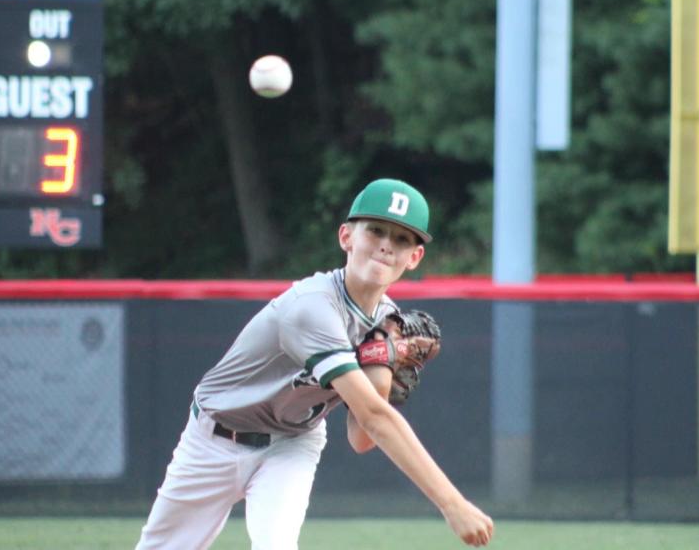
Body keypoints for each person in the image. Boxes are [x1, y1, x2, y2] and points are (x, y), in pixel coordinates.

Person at [135, 178, 494, 549]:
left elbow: (361, 438)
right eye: (375, 230)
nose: (387, 244)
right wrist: (452, 504)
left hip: (291, 442)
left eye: (402, 239)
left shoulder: (387, 324)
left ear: (415, 257)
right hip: (215, 436)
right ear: (346, 237)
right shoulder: (312, 307)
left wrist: (384, 373)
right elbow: (373, 417)